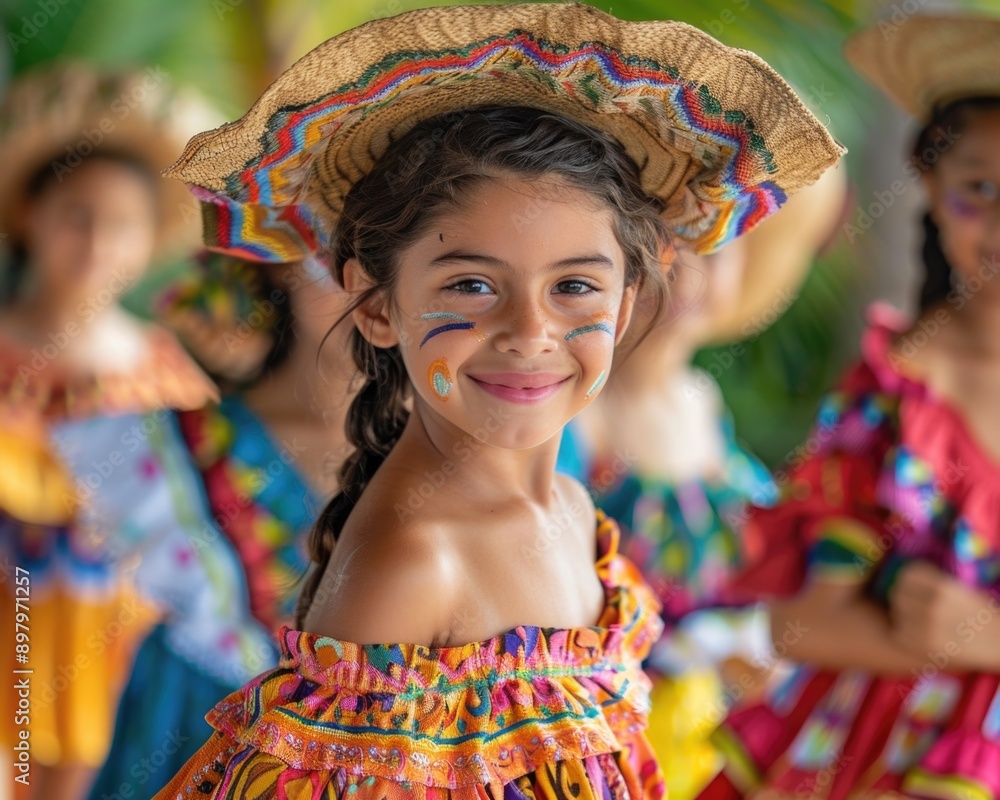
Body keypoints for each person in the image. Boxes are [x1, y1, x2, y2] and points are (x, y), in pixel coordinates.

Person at [150, 5, 842, 798]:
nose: (530, 332)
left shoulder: (579, 514)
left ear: (624, 306)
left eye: (575, 286)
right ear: (376, 304)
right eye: (472, 286)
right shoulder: (413, 563)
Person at [700, 14, 1000, 800]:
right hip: (885, 759)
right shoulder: (892, 402)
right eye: (980, 188)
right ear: (931, 190)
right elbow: (801, 622)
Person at [564, 165, 847, 800]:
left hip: (709, 734)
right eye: (672, 246)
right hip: (605, 738)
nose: (693, 272)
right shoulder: (578, 411)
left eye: (719, 249)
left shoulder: (702, 400)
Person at [0, 63, 218, 800]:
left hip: (113, 653)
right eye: (75, 214)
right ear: (31, 213)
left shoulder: (167, 376)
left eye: (120, 223)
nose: (95, 241)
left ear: (146, 240)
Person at [87, 252, 354, 799]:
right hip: (192, 733)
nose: (367, 286)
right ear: (282, 265)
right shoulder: (162, 453)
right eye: (338, 257)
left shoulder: (474, 455)